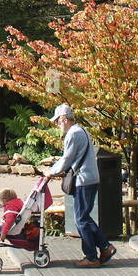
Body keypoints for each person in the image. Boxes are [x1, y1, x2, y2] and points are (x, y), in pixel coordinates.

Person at [45, 104, 115, 267]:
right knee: (84, 218)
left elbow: (67, 159)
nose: (57, 125)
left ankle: (93, 256)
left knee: (81, 219)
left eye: (57, 121)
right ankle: (105, 248)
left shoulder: (73, 134)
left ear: (63, 119)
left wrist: (51, 172)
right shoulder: (82, 130)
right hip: (91, 178)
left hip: (84, 180)